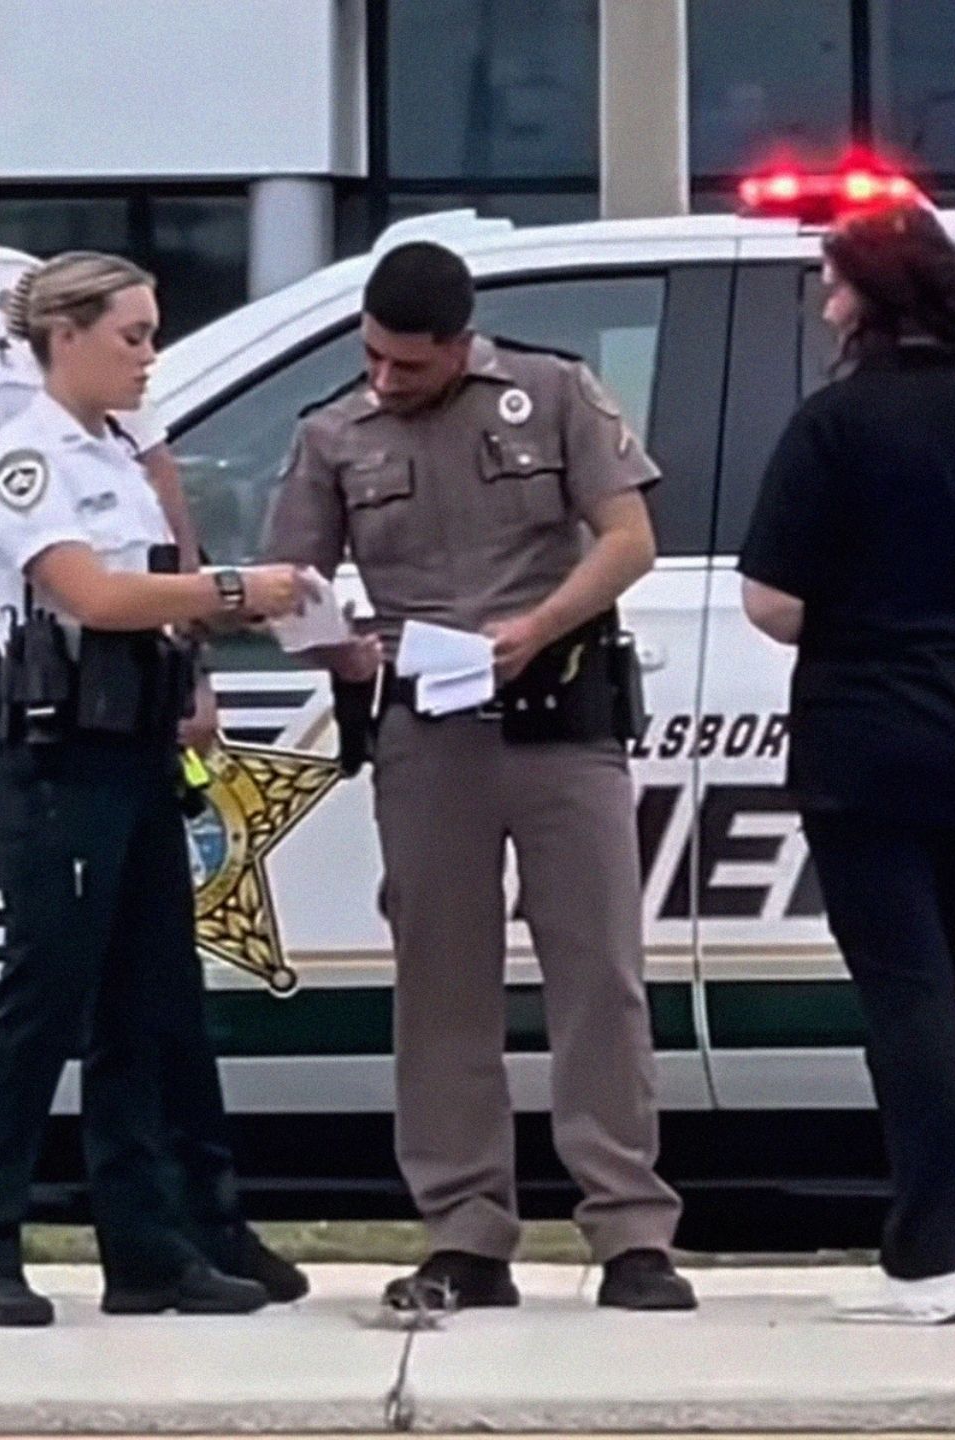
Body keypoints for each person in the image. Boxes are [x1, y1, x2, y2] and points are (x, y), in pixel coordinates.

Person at [0, 85, 303, 1304]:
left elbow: (146, 475)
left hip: (64, 655)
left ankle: (179, 1226)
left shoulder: (41, 299)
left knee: (132, 958)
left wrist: (190, 650)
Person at [264, 240, 693, 1312]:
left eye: (408, 363)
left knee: (598, 975)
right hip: (427, 734)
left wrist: (538, 624)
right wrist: (334, 643)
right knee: (442, 989)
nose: (384, 379)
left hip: (560, 718)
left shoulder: (551, 395)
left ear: (461, 344)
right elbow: (290, 582)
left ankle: (629, 1230)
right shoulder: (333, 432)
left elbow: (629, 537)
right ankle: (465, 1231)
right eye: (372, 356)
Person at [0, 252, 308, 1325]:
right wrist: (236, 588)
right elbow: (93, 594)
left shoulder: (113, 454)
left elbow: (153, 585)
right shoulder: (25, 460)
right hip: (62, 758)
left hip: (139, 746)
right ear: (65, 337)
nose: (149, 356)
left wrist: (201, 627)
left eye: (152, 334)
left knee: (148, 1007)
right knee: (41, 1004)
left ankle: (147, 1249)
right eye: (131, 336)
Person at [737, 202, 955, 1325]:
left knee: (909, 999)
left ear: (870, 299)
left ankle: (930, 1262)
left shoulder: (834, 426)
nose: (825, 303)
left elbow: (773, 606)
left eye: (834, 283)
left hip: (865, 745)